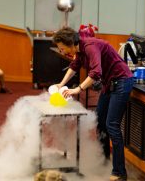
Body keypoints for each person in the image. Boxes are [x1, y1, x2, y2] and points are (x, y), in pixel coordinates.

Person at [53, 27, 133, 181]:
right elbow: (74, 67)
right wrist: (61, 84)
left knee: (112, 125)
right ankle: (104, 162)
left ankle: (119, 173)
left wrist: (78, 89)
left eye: (62, 48)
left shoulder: (89, 47)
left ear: (70, 43)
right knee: (100, 123)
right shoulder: (80, 51)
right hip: (109, 84)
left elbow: (96, 72)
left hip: (122, 82)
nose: (62, 52)